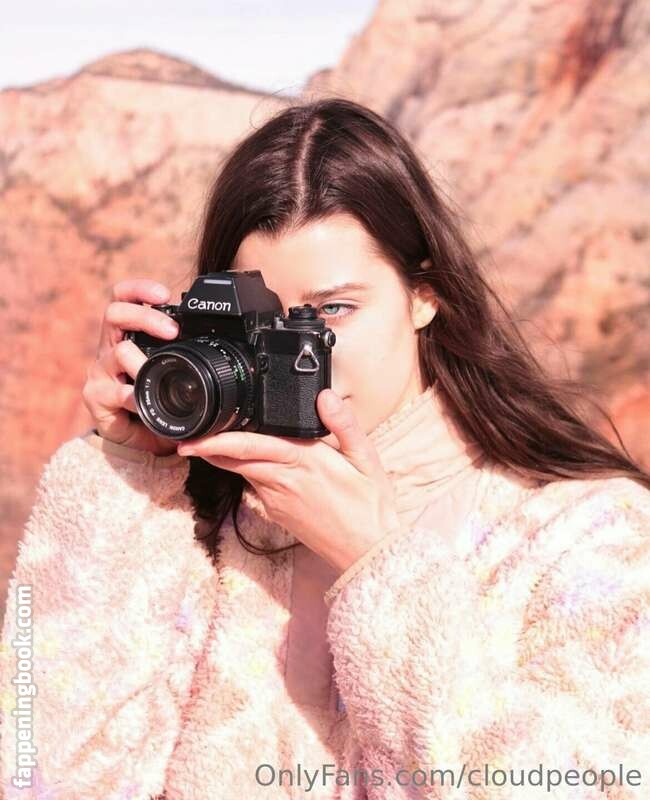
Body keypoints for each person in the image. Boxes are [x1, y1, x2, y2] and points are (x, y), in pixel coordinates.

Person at [1, 97, 648, 800]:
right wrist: (125, 478)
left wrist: (378, 566)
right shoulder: (193, 531)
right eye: (268, 324)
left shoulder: (586, 537)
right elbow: (34, 773)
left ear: (425, 295)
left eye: (331, 311)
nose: (302, 355)